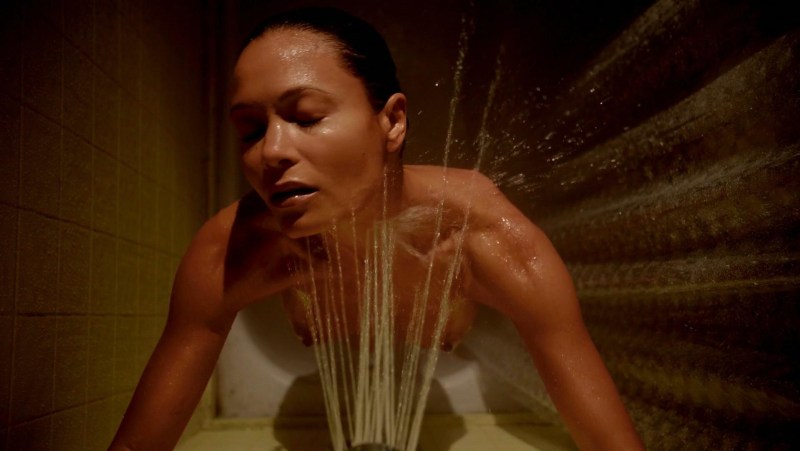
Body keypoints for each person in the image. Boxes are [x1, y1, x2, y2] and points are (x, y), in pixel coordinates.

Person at [110, 7, 644, 451]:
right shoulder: (231, 249)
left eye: (306, 117)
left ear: (392, 121)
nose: (271, 151)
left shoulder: (483, 234)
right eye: (250, 130)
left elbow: (611, 441)